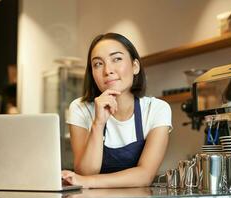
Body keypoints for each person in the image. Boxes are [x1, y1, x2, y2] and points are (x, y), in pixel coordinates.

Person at [61, 33, 172, 188]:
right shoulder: (80, 108)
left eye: (116, 59)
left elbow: (145, 175)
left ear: (135, 66)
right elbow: (85, 172)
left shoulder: (157, 109)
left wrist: (86, 181)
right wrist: (98, 124)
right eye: (98, 64)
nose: (107, 70)